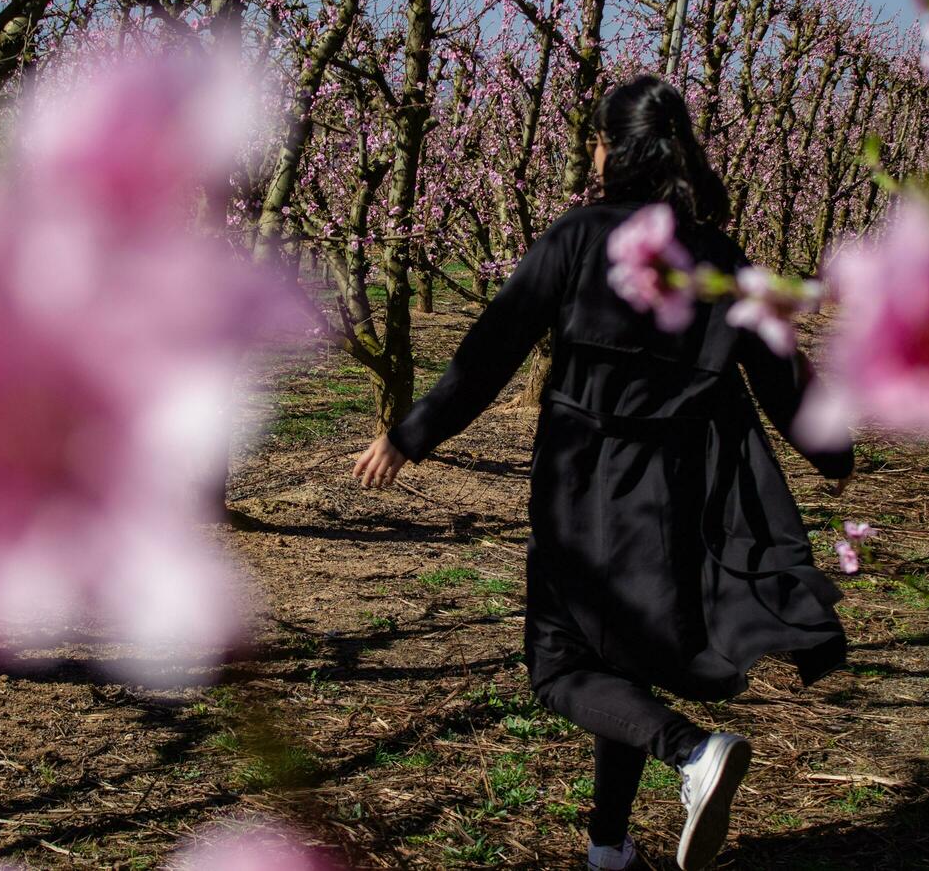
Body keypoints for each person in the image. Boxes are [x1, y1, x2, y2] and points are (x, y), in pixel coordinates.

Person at [352, 74, 854, 871]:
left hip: (581, 484)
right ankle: (608, 848)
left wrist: (412, 435)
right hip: (678, 490)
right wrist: (835, 454)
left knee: (557, 666)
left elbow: (492, 349)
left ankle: (690, 753)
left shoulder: (579, 236)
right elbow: (779, 371)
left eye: (594, 137)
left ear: (613, 148)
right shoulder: (717, 255)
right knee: (615, 663)